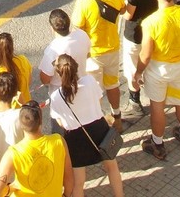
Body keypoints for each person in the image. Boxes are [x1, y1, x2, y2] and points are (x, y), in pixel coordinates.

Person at [133, 0, 180, 161]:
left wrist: (138, 72)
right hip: (179, 66)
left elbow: (145, 54)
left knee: (157, 107)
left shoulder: (150, 22)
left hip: (158, 70)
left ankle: (158, 144)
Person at [47, 54, 124, 197]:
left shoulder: (56, 97)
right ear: (76, 67)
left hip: (75, 139)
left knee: (78, 182)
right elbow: (99, 100)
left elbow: (60, 122)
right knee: (112, 167)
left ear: (59, 73)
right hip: (99, 130)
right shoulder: (89, 81)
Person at [71, 0, 125, 130]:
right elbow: (122, 10)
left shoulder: (83, 3)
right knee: (113, 84)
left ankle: (99, 122)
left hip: (93, 55)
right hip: (113, 48)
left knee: (95, 91)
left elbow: (76, 30)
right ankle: (117, 116)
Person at [0, 102, 72, 197]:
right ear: (41, 121)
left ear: (20, 124)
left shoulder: (13, 153)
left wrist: (8, 190)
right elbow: (69, 177)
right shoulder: (59, 141)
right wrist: (66, 195)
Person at [121, 0, 158, 115]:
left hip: (135, 36)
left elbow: (128, 15)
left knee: (132, 69)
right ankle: (155, 97)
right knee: (151, 66)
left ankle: (135, 102)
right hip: (154, 35)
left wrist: (122, 8)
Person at [38, 8, 92, 93]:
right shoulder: (82, 34)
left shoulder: (52, 50)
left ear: (52, 28)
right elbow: (88, 55)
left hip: (61, 92)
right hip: (82, 85)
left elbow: (45, 79)